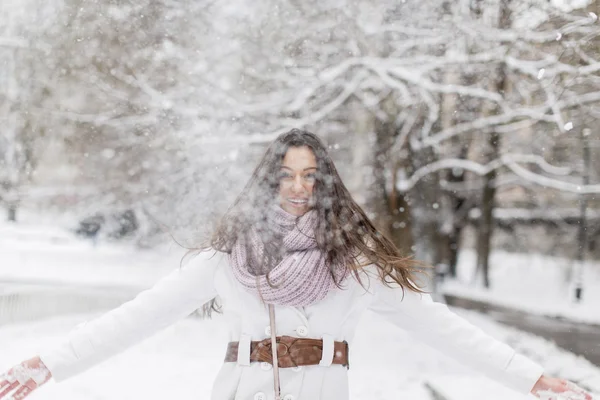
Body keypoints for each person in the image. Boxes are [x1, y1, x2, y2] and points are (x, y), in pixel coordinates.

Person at [0, 129, 593, 400]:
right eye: (285, 176)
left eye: (310, 176)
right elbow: (136, 318)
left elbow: (441, 326)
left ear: (326, 182)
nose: (298, 188)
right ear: (268, 181)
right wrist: (49, 362)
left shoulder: (355, 264)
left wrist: (531, 378)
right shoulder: (225, 260)